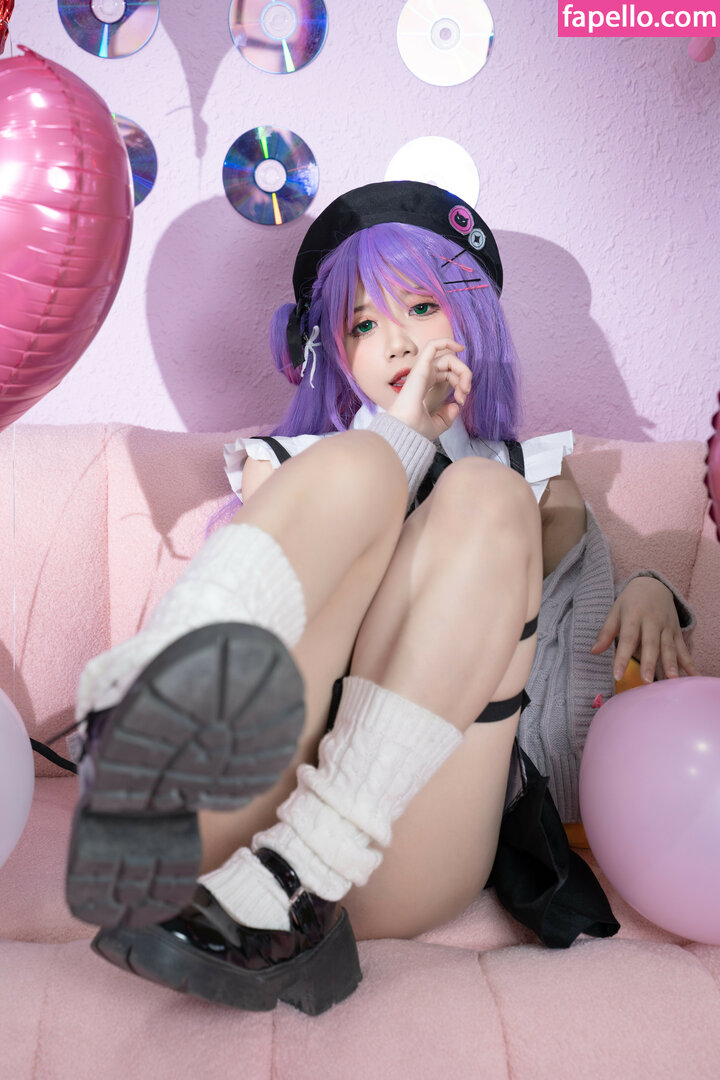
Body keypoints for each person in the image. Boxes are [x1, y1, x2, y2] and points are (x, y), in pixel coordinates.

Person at [64, 181, 698, 1016]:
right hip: (238, 801)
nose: (395, 340)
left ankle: (304, 872)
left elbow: (555, 626)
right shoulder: (288, 465)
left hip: (398, 840)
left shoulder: (537, 479)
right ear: (331, 350)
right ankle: (151, 704)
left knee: (483, 492)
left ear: (474, 319)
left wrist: (650, 587)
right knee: (358, 466)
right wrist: (400, 435)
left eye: (422, 307)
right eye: (362, 324)